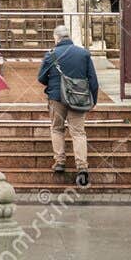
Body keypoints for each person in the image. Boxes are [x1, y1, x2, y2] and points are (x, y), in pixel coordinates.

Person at [38, 25, 99, 186]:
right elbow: (93, 80)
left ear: (56, 38)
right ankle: (82, 166)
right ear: (68, 36)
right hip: (78, 100)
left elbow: (41, 77)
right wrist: (93, 100)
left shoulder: (51, 55)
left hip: (56, 98)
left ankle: (59, 162)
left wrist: (52, 86)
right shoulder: (83, 54)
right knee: (78, 132)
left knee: (57, 128)